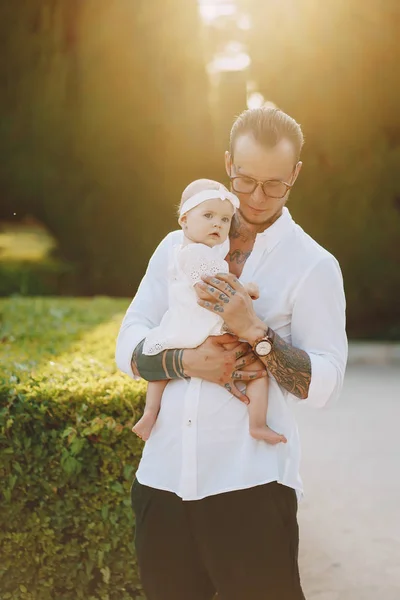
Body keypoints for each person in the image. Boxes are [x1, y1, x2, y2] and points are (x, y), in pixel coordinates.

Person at [116, 106, 348, 600]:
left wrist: (257, 332)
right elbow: (129, 340)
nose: (257, 198)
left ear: (295, 176)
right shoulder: (173, 249)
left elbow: (324, 384)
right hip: (162, 479)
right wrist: (184, 362)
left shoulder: (314, 266)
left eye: (274, 185)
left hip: (253, 487)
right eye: (245, 181)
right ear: (227, 164)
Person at [133, 177, 287, 446]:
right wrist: (245, 289)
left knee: (162, 369)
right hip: (199, 327)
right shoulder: (193, 254)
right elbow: (211, 289)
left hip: (191, 327)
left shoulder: (204, 253)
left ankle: (149, 413)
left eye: (225, 220)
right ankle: (257, 423)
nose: (218, 224)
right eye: (208, 216)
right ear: (184, 220)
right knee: (257, 372)